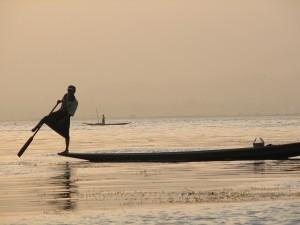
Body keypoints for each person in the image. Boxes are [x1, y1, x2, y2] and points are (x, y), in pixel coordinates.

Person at [32, 85, 78, 153]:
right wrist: (60, 101)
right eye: (68, 90)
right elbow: (63, 100)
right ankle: (36, 127)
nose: (69, 92)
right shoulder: (65, 95)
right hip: (60, 112)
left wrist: (63, 120)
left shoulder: (75, 102)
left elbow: (69, 114)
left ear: (74, 92)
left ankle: (66, 149)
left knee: (66, 134)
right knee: (46, 118)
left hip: (66, 116)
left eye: (70, 91)